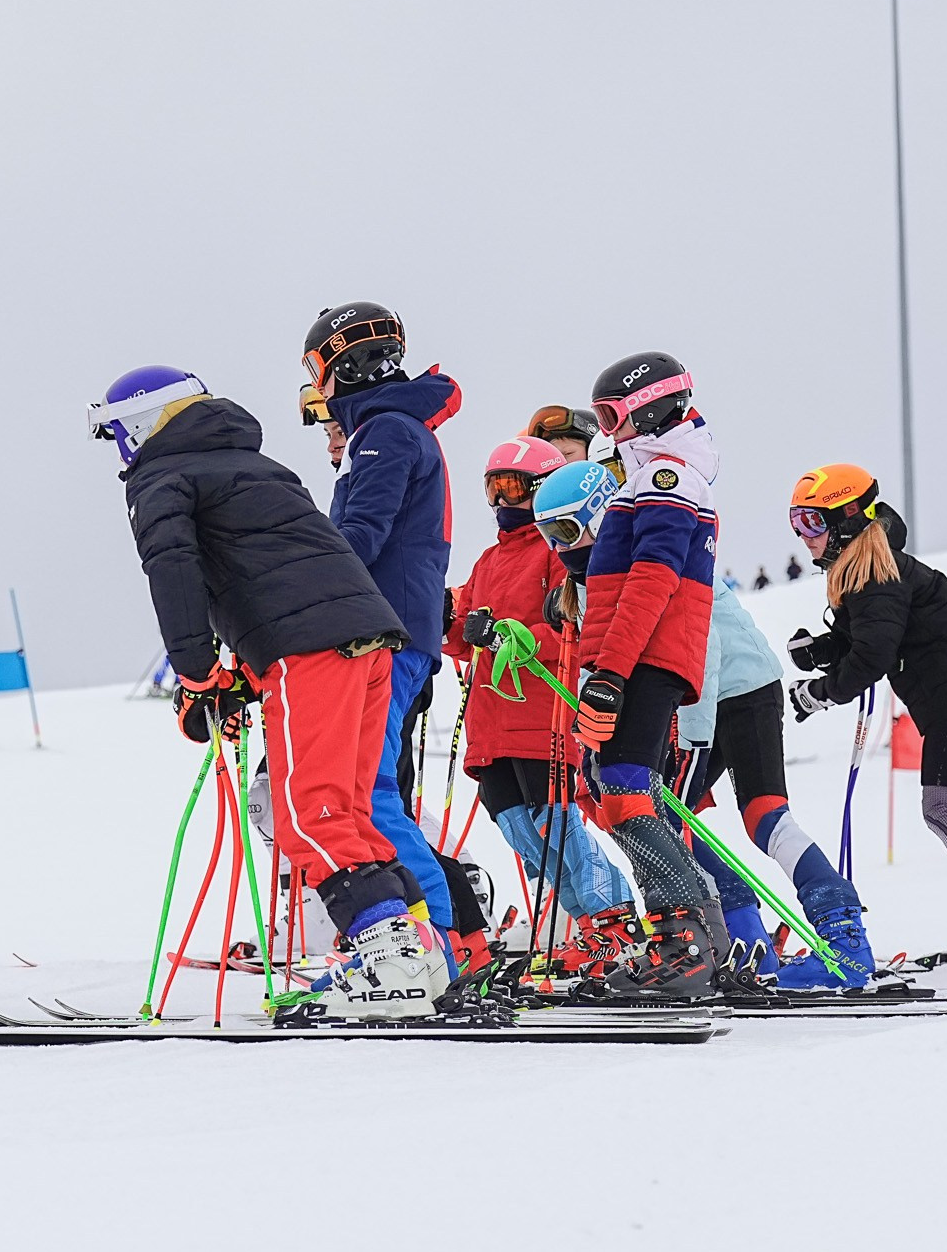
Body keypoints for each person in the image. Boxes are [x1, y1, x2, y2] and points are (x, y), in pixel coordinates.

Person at [90, 364, 446, 1020]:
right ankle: (415, 957)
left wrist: (195, 674)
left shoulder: (161, 476)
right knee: (350, 810)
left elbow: (173, 569)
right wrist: (233, 681)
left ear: (140, 423)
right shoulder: (257, 465)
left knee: (308, 812)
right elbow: (278, 574)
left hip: (310, 650)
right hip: (371, 639)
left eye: (116, 431)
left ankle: (390, 965)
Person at [786, 465, 947, 962]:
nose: (804, 537)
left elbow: (873, 656)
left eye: (812, 523)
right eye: (796, 524)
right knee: (943, 809)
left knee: (944, 808)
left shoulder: (874, 576)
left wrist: (819, 691)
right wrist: (821, 651)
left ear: (845, 519)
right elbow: (873, 635)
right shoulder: (873, 568)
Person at [302, 303, 471, 964]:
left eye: (318, 375)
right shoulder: (394, 427)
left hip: (387, 632)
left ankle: (439, 951)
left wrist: (292, 588)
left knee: (369, 793)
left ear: (338, 367)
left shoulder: (386, 431)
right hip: (394, 627)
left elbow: (358, 539)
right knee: (367, 791)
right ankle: (429, 944)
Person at [571, 351, 731, 998]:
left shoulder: (668, 475)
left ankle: (682, 943)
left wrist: (611, 669)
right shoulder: (659, 474)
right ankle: (698, 936)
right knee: (622, 790)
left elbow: (653, 580)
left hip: (645, 655)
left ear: (653, 406)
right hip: (638, 654)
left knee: (627, 792)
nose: (610, 433)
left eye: (616, 416)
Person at [448, 446, 637, 979]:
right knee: (519, 831)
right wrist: (445, 622)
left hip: (540, 714)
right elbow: (465, 632)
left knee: (555, 825)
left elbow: (574, 630)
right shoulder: (488, 560)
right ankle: (589, 927)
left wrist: (516, 633)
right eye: (493, 489)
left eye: (514, 487)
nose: (502, 501)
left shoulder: (557, 550)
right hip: (492, 721)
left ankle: (613, 917)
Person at [682, 575, 876, 989]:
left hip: (725, 689)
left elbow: (701, 641)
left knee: (757, 817)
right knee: (664, 816)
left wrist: (688, 735)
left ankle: (840, 938)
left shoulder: (650, 537)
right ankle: (750, 939)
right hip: (718, 689)